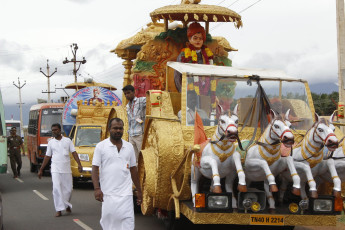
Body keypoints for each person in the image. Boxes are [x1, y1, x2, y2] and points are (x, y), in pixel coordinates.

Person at [91, 118, 142, 230]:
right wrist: (96, 188)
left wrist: (138, 190)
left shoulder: (128, 147)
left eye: (120, 128)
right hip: (108, 194)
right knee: (109, 224)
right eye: (115, 128)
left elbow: (133, 170)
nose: (118, 130)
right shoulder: (101, 146)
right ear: (109, 129)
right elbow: (94, 169)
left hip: (126, 195)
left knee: (128, 222)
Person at [38, 123, 83, 217]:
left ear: (60, 130)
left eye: (56, 130)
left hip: (66, 169)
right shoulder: (51, 142)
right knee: (56, 188)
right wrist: (41, 169)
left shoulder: (68, 141)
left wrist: (79, 164)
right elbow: (47, 156)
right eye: (53, 130)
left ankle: (66, 204)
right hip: (55, 169)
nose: (54, 131)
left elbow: (74, 152)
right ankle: (59, 209)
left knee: (69, 189)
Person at [174, 22, 214, 92]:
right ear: (189, 39)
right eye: (195, 38)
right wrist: (182, 93)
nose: (198, 40)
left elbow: (212, 75)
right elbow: (177, 76)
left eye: (200, 38)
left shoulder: (208, 55)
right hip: (189, 91)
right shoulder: (183, 55)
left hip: (205, 91)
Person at [122, 85, 146, 160]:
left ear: (134, 92)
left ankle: (142, 171)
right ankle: (135, 171)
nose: (127, 95)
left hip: (140, 134)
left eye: (128, 93)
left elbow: (151, 99)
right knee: (133, 157)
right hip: (131, 135)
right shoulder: (127, 106)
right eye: (125, 94)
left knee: (141, 155)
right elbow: (129, 121)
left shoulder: (140, 101)